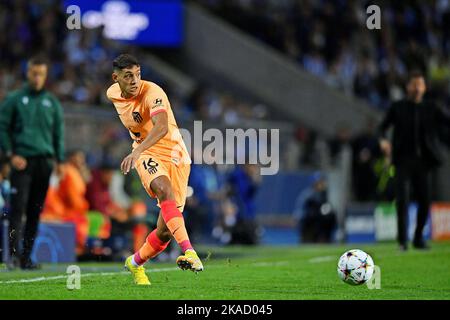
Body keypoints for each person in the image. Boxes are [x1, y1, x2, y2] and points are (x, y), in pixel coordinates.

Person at [106, 54, 202, 285]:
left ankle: (135, 263)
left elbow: (160, 128)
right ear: (116, 77)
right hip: (146, 151)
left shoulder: (153, 93)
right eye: (128, 76)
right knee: (163, 189)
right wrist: (138, 151)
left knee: (165, 231)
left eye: (138, 74)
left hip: (175, 153)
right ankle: (190, 251)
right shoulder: (112, 93)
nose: (134, 80)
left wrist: (137, 151)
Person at [0, 56, 65, 269]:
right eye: (34, 73)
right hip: (22, 162)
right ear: (28, 73)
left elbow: (58, 134)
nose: (37, 78)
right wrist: (10, 155)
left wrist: (60, 160)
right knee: (18, 209)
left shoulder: (52, 103)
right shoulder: (15, 99)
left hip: (44, 164)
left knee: (35, 211)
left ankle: (26, 257)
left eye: (41, 74)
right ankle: (13, 256)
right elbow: (2, 128)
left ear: (45, 76)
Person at [378, 71, 450, 251]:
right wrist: (383, 140)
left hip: (424, 162)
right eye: (414, 85)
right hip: (402, 160)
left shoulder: (432, 107)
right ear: (408, 87)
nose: (417, 88)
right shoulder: (398, 107)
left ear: (424, 88)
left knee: (425, 201)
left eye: (420, 85)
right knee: (402, 200)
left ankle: (418, 237)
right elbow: (382, 127)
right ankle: (402, 241)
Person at [41, 150, 90, 256]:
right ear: (71, 158)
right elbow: (73, 198)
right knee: (80, 220)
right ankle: (76, 251)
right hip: (61, 210)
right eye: (79, 158)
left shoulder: (75, 172)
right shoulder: (69, 172)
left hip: (62, 209)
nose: (81, 161)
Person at [293, 173, 336, 243]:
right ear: (314, 184)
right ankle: (308, 239)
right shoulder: (308, 195)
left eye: (322, 182)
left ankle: (325, 239)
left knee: (330, 216)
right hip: (309, 225)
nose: (322, 185)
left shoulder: (325, 195)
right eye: (319, 183)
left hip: (320, 225)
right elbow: (299, 213)